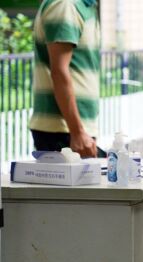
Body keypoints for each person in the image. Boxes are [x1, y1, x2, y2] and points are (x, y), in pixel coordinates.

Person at [30, 0, 101, 158]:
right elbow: (59, 72)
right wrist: (77, 132)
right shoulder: (66, 5)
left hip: (73, 129)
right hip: (63, 130)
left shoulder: (85, 6)